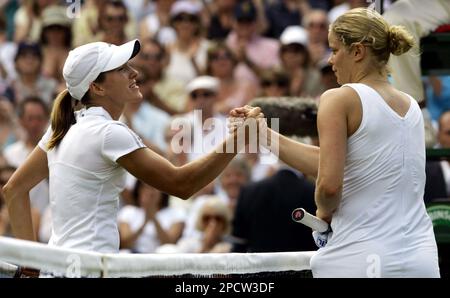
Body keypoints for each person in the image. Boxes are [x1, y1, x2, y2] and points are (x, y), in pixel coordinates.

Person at [231, 8, 440, 277]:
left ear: (358, 51)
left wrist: (323, 210)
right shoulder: (410, 105)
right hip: (420, 259)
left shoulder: (337, 98)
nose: (331, 60)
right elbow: (339, 163)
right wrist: (263, 134)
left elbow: (329, 187)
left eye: (335, 49)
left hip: (361, 260)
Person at [2, 38, 260, 253]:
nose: (134, 72)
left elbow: (14, 190)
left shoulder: (62, 128)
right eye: (121, 69)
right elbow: (183, 185)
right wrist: (238, 138)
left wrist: (31, 263)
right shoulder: (109, 133)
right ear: (96, 87)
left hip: (59, 270)